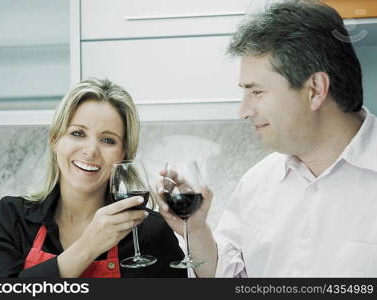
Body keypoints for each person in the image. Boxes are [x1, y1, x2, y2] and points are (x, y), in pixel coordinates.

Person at [157, 0, 377, 277]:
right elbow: (229, 278)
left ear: (315, 90)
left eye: (257, 92)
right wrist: (197, 232)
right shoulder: (257, 183)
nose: (243, 111)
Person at [0, 78, 187, 278]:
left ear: (123, 154)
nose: (90, 151)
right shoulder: (12, 217)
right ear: (55, 140)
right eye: (78, 133)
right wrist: (88, 246)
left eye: (108, 140)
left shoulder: (150, 232)